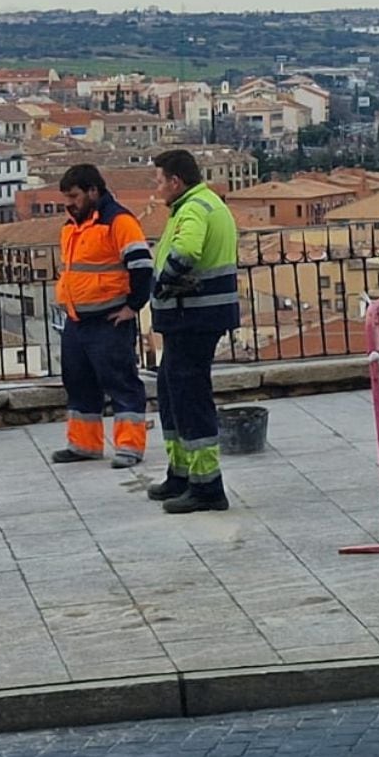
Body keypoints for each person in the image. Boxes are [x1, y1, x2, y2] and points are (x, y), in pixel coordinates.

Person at [146, 149, 240, 513]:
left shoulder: (194, 209)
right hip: (193, 316)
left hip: (194, 316)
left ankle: (207, 486)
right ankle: (181, 474)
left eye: (159, 181)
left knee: (189, 397)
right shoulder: (200, 203)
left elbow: (185, 251)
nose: (156, 189)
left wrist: (163, 283)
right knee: (172, 392)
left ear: (175, 181)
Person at [51, 164, 154, 468]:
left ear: (93, 191)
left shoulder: (118, 221)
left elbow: (141, 266)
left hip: (110, 319)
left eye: (74, 196)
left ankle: (130, 447)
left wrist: (133, 306)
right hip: (77, 319)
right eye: (66, 198)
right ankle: (84, 444)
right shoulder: (71, 226)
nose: (69, 203)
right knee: (79, 383)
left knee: (121, 383)